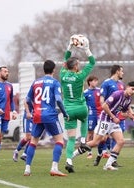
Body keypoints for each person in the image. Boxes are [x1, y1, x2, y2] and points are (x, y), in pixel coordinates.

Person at [73, 81, 134, 170]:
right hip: (105, 120)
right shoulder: (117, 94)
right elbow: (104, 106)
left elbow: (123, 113)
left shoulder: (128, 100)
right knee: (95, 142)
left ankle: (108, 165)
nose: (133, 92)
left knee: (121, 141)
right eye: (132, 89)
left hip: (113, 122)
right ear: (127, 87)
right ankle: (72, 155)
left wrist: (131, 116)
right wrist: (113, 117)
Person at [23, 60, 69, 177]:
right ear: (54, 70)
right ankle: (54, 168)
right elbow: (58, 99)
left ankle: (27, 169)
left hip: (37, 115)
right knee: (59, 141)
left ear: (44, 69)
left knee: (33, 142)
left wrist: (35, 109)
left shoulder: (35, 82)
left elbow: (28, 100)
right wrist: (64, 113)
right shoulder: (54, 83)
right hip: (50, 115)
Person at [59, 35, 95, 173]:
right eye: (78, 64)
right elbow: (92, 62)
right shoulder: (80, 76)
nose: (79, 65)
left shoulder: (62, 74)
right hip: (81, 107)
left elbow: (64, 60)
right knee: (85, 119)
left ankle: (68, 160)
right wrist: (86, 49)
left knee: (71, 139)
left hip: (68, 109)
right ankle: (84, 141)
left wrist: (70, 46)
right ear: (75, 67)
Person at [94, 65, 125, 167]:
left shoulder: (121, 84)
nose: (123, 73)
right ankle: (99, 154)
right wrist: (104, 108)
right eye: (121, 71)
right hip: (107, 115)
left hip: (117, 116)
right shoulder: (106, 83)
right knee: (102, 139)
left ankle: (112, 160)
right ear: (117, 72)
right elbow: (102, 99)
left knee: (118, 139)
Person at [83, 75, 102, 159]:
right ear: (89, 82)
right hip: (91, 114)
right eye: (93, 81)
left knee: (101, 133)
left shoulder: (100, 91)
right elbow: (82, 103)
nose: (95, 82)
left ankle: (101, 152)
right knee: (90, 132)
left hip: (100, 114)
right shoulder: (85, 92)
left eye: (96, 81)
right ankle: (89, 152)